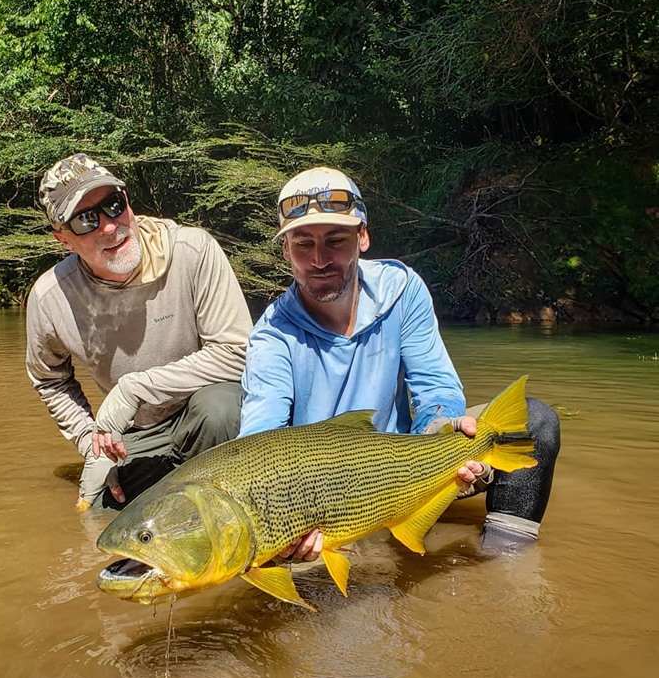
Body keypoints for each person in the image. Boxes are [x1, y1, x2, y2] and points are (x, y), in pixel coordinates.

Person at [239, 166, 560, 560]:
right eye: (303, 244)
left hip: (409, 466)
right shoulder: (271, 334)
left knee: (535, 420)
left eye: (335, 241)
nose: (319, 259)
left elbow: (435, 387)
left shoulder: (402, 289)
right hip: (321, 502)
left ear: (363, 238)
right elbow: (257, 442)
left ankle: (504, 563)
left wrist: (443, 428)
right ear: (286, 250)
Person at [27, 153, 252, 511]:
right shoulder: (49, 298)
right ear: (63, 240)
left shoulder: (193, 251)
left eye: (114, 205)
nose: (109, 226)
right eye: (86, 220)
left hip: (206, 415)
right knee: (100, 518)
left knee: (222, 408)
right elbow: (51, 381)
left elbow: (237, 353)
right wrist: (92, 442)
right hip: (136, 433)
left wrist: (137, 387)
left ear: (128, 201)